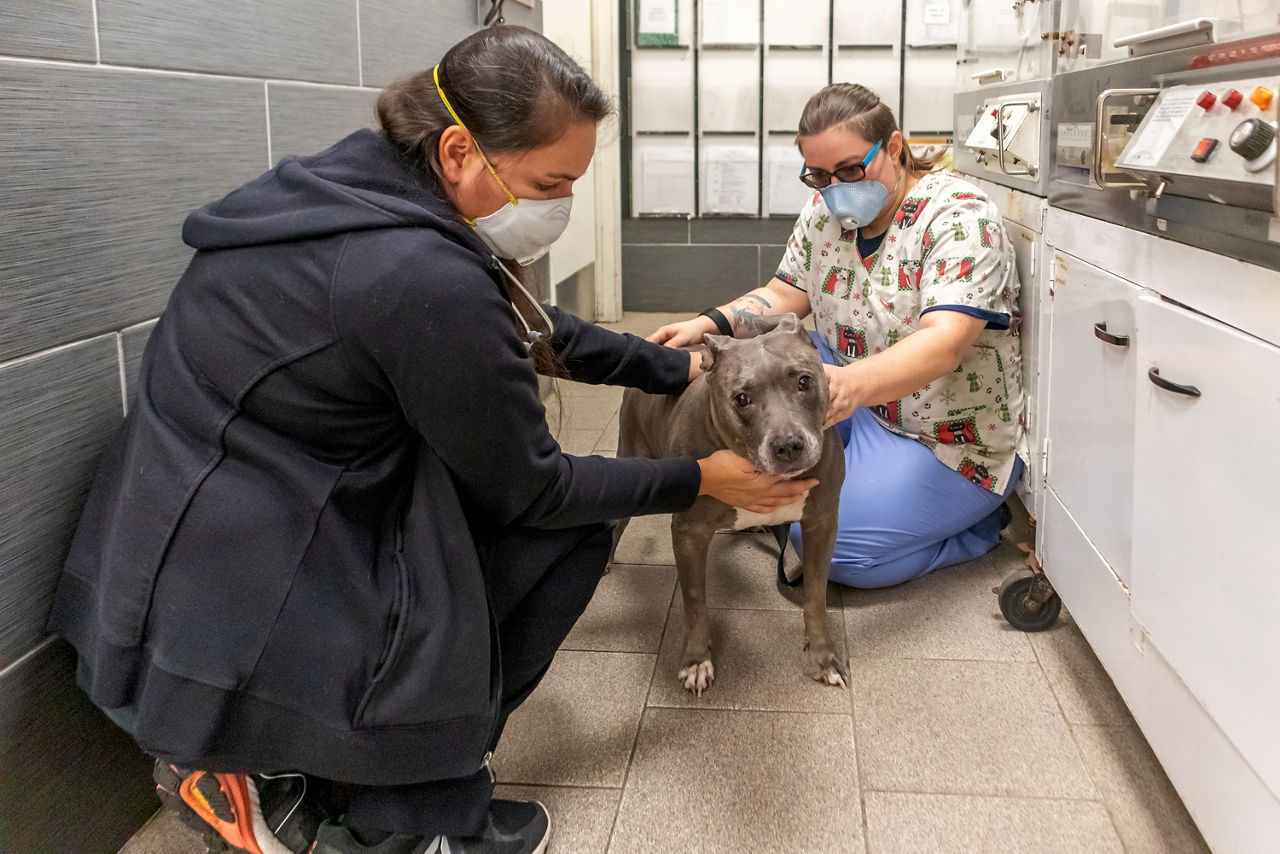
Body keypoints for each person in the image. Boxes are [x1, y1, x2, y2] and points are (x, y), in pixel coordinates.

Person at [46, 26, 815, 854]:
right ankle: (409, 821)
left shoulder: (361, 183)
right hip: (256, 560)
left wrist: (689, 368)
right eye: (550, 182)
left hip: (183, 512)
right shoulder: (416, 273)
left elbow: (522, 324)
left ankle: (297, 767)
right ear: (458, 149)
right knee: (562, 533)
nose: (558, 206)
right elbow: (535, 488)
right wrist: (698, 477)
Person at [651, 83, 1026, 590]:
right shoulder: (825, 212)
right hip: (857, 404)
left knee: (835, 549)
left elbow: (946, 342)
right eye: (820, 175)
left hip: (946, 437)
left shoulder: (960, 217)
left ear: (894, 147)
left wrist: (848, 389)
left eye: (851, 170)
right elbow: (784, 293)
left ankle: (978, 530)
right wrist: (707, 323)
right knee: (774, 443)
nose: (835, 188)